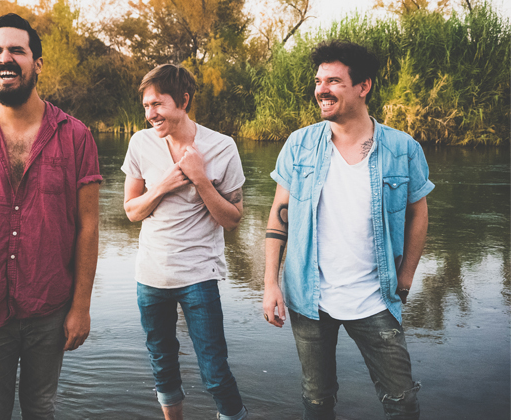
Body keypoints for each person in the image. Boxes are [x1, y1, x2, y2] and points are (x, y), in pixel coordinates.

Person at [263, 40, 433, 420]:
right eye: (318, 81)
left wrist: (405, 279)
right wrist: (270, 283)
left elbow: (418, 214)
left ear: (363, 86)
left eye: (334, 81)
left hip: (375, 299)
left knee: (402, 402)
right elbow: (278, 215)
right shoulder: (299, 145)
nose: (321, 90)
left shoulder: (402, 148)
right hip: (309, 298)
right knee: (316, 400)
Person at [0, 13, 101, 420]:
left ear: (38, 63)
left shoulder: (76, 136)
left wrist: (81, 306)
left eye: (17, 50)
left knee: (40, 409)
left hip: (50, 306)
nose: (4, 58)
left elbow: (88, 228)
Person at [121, 64, 248, 420]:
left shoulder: (221, 147)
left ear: (183, 100)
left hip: (198, 277)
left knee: (214, 372)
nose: (150, 114)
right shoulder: (140, 143)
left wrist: (200, 180)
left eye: (157, 104)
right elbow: (131, 211)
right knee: (162, 364)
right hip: (150, 277)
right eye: (146, 106)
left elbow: (233, 219)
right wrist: (162, 186)